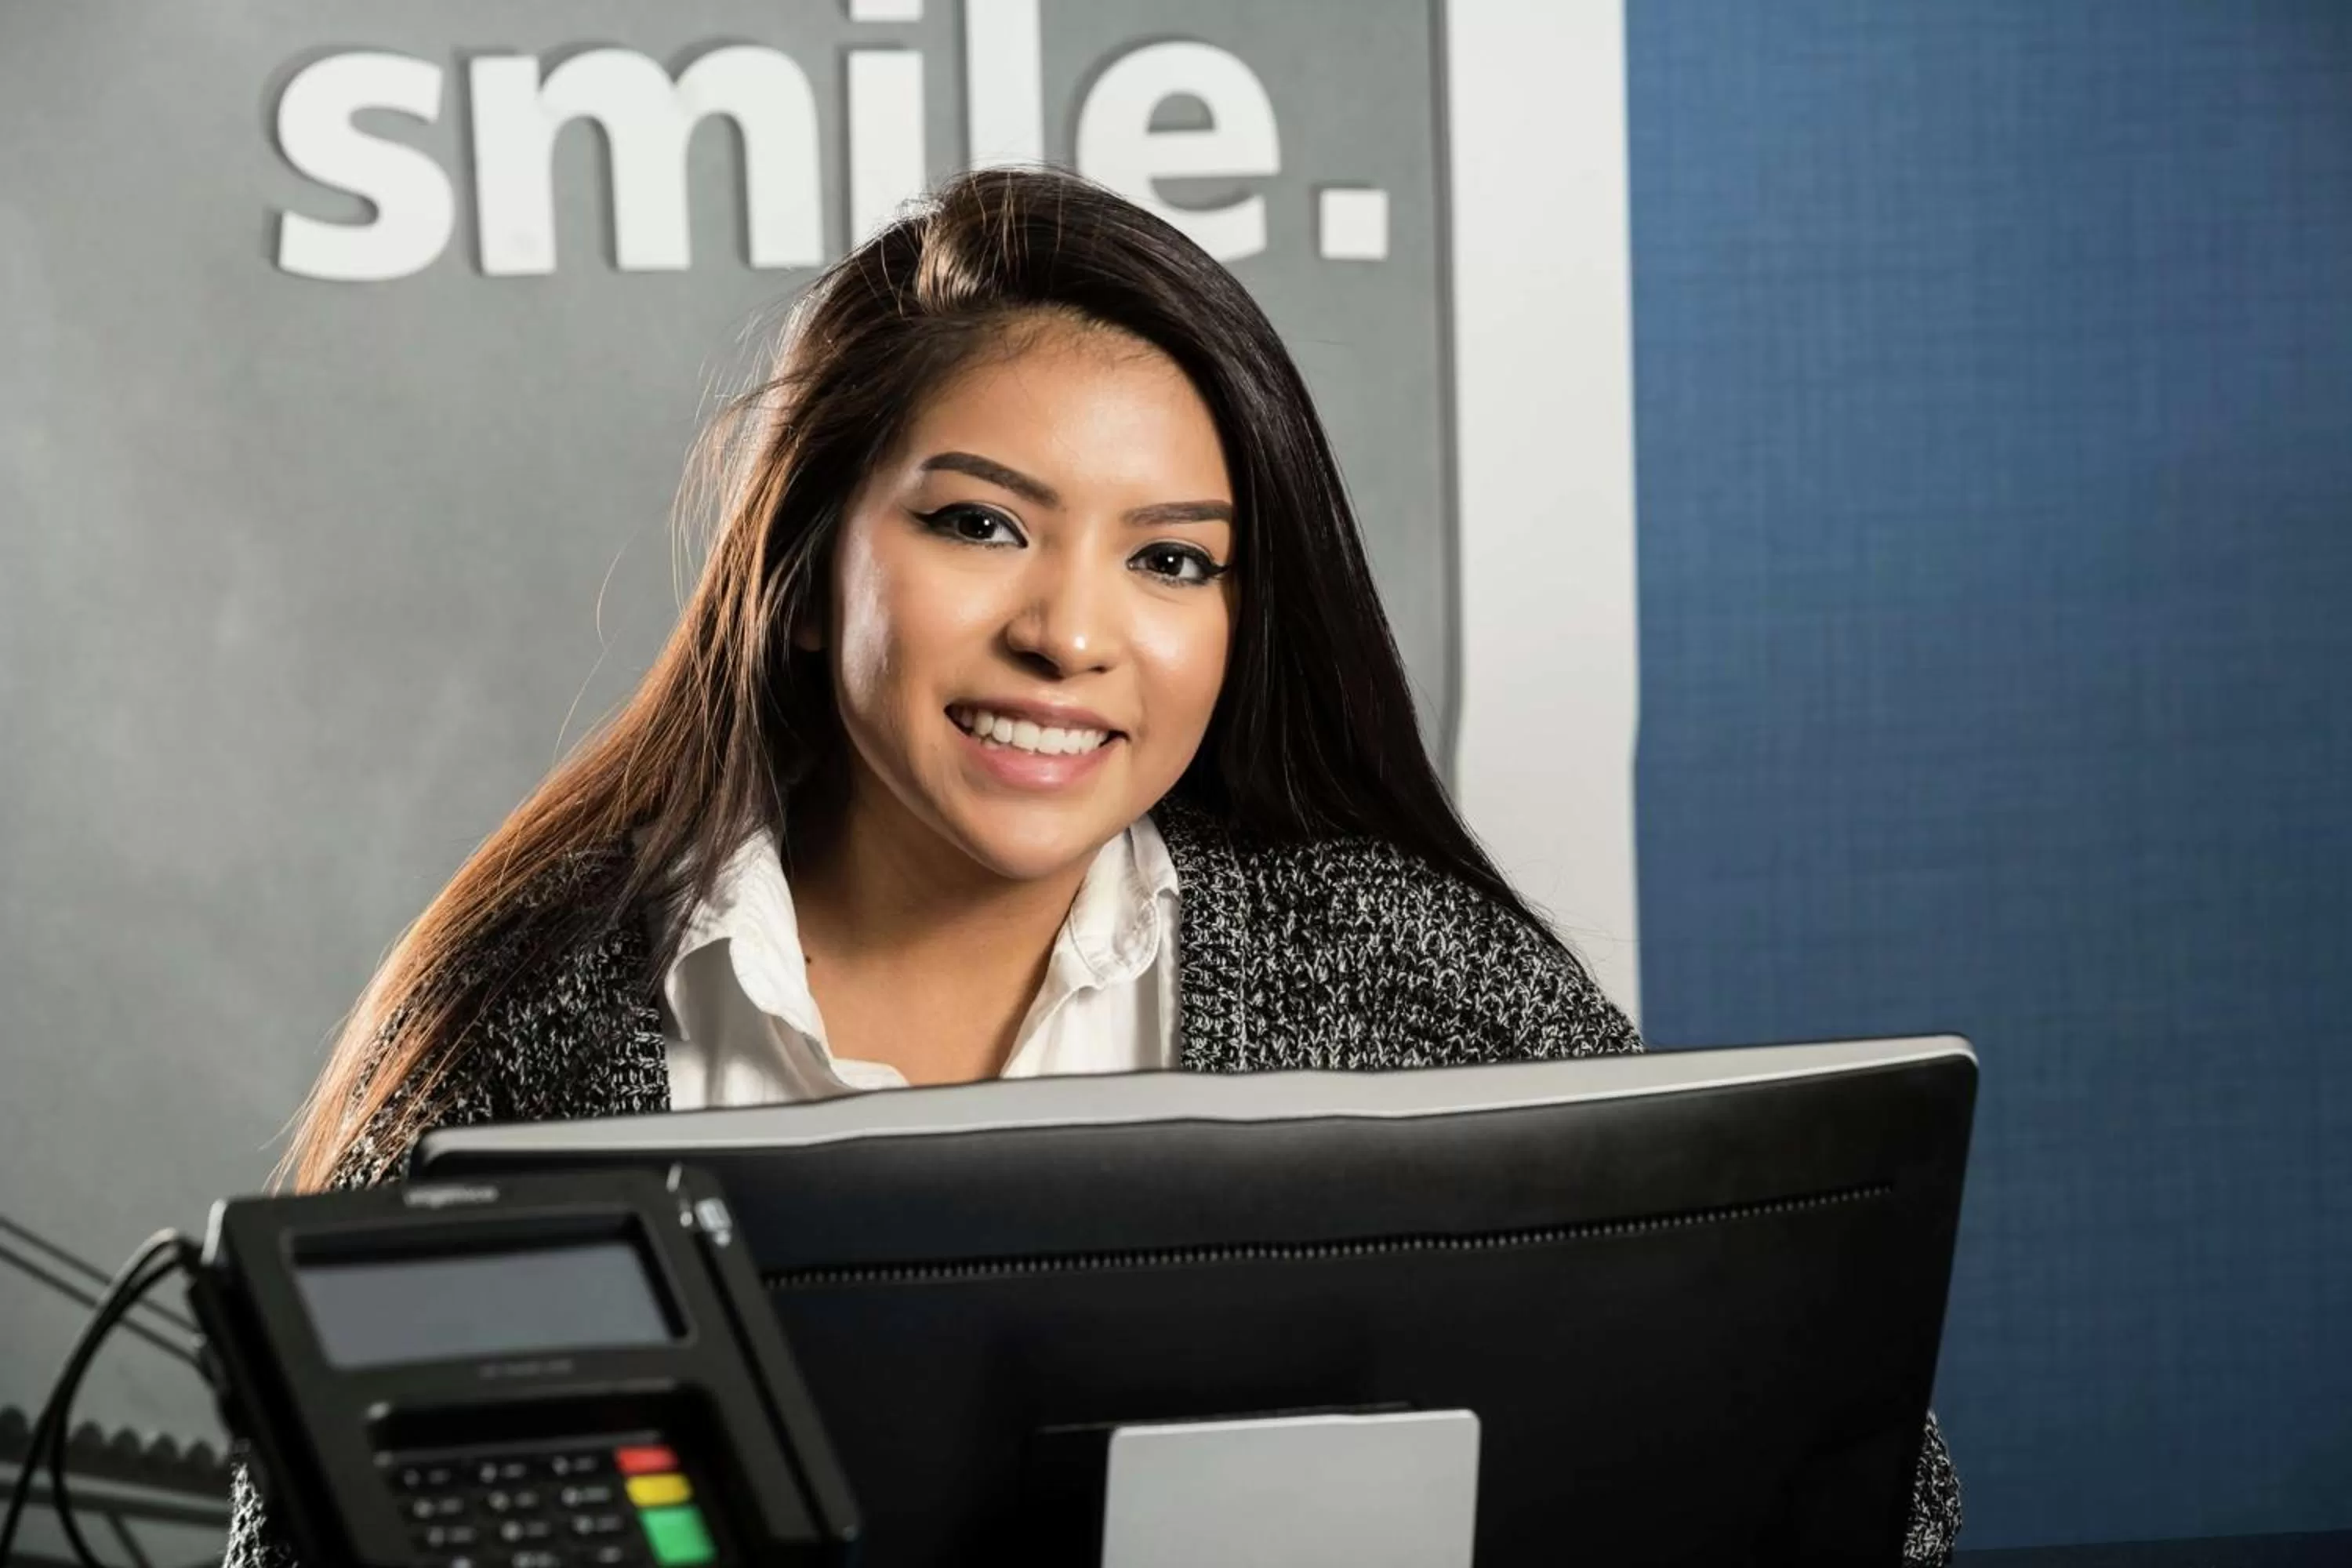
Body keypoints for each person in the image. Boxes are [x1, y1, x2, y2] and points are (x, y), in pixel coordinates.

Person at [227, 166, 1958, 1566]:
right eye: (979, 522)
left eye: (1174, 561)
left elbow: (1883, 1497)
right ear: (813, 551)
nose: (1071, 633)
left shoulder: (1410, 974)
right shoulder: (529, 1021)